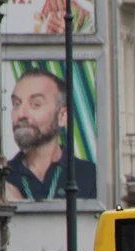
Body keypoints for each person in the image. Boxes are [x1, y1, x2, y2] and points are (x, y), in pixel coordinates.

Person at [6, 68, 97, 201]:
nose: (21, 114)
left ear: (62, 116)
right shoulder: (1, 178)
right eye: (16, 104)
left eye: (35, 104)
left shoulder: (91, 177)